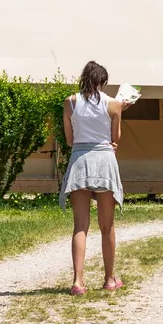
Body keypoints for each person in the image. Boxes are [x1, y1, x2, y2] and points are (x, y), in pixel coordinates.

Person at [62, 60, 124, 295]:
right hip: (104, 160)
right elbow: (115, 137)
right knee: (106, 225)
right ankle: (109, 279)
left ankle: (78, 282)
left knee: (80, 226)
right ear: (103, 82)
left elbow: (69, 140)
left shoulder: (70, 102)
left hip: (80, 160)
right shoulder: (114, 104)